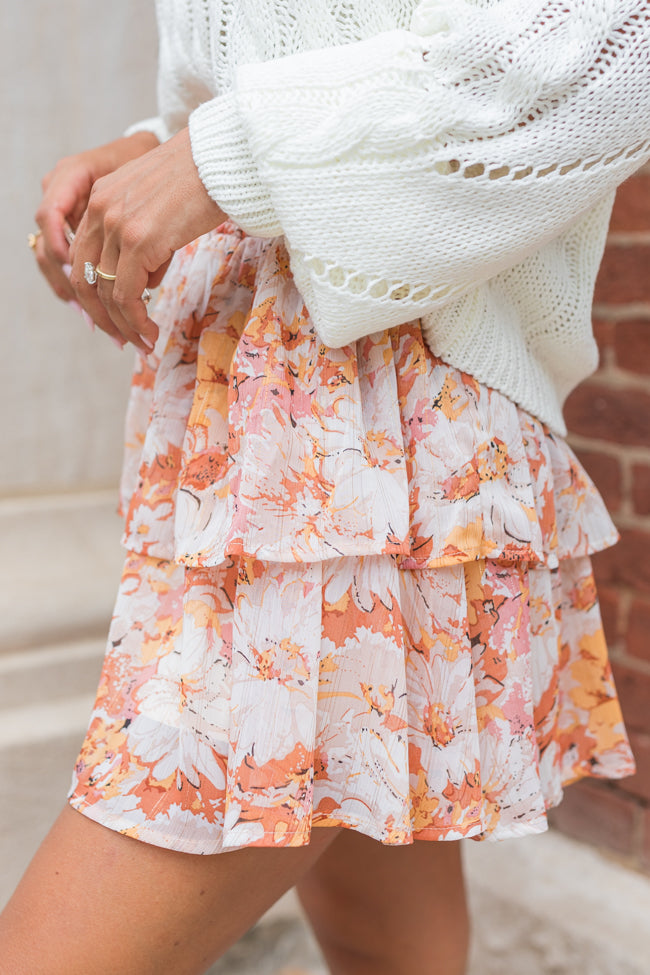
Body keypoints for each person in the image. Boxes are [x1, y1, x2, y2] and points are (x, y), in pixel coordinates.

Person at [4, 1, 650, 972]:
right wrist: (150, 151)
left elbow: (606, 48)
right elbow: (273, 66)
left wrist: (224, 157)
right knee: (381, 937)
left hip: (376, 439)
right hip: (261, 434)